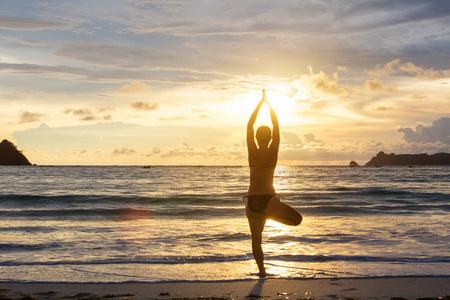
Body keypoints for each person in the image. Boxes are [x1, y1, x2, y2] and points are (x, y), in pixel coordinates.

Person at [245, 89, 302, 277]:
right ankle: (269, 214)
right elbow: (276, 125)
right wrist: (269, 106)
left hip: (251, 201)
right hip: (270, 200)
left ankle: (262, 272)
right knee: (297, 220)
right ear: (270, 139)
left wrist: (258, 105)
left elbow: (249, 125)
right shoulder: (273, 151)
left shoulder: (252, 151)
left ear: (255, 139)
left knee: (256, 240)